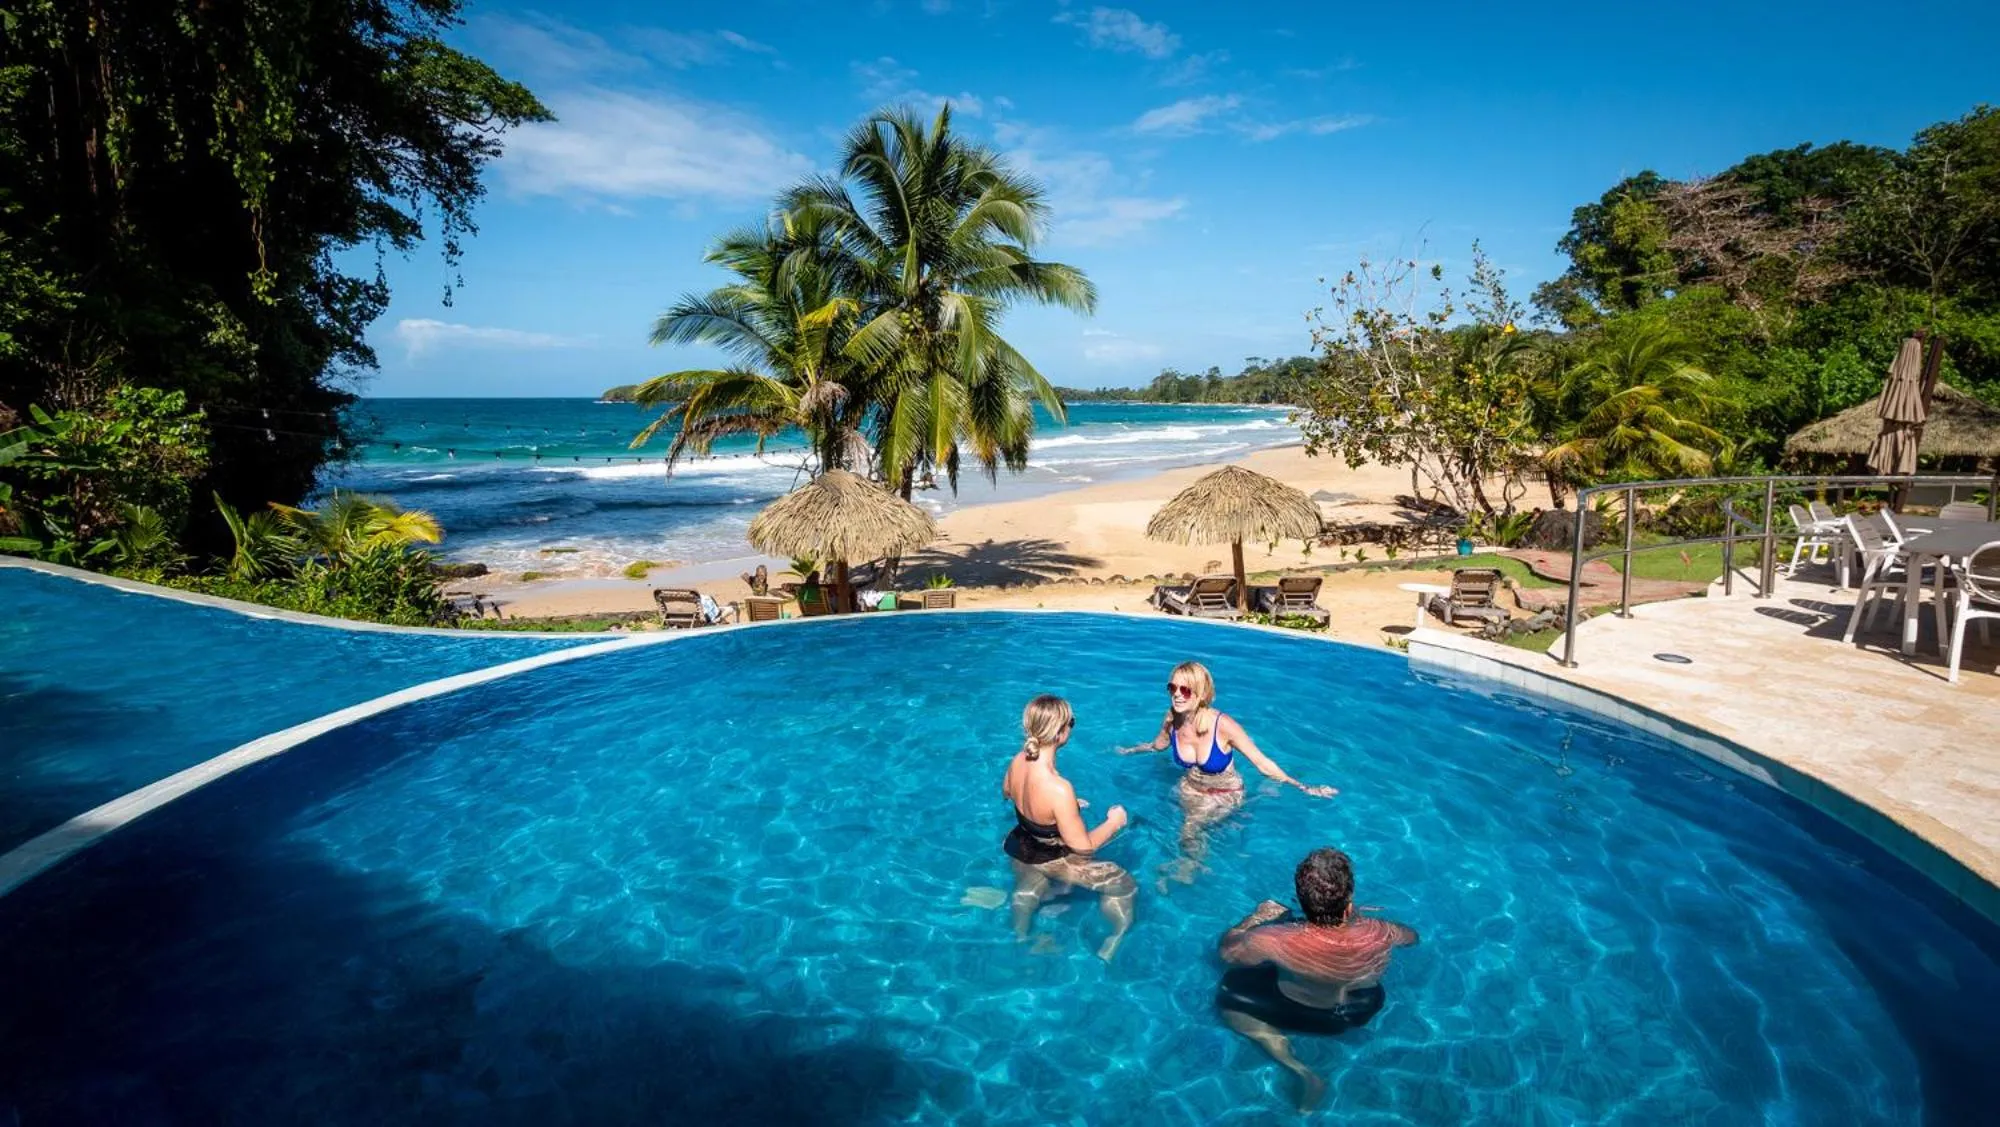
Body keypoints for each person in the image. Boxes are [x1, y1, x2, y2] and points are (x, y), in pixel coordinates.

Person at [1215, 848, 1419, 1111]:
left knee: (1228, 996)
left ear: (1302, 902)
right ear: (1348, 903)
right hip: (1359, 1009)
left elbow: (1227, 954)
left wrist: (1258, 916)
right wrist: (1360, 920)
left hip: (1304, 1013)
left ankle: (1298, 1068)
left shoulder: (1273, 939)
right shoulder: (1382, 932)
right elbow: (1412, 938)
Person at [1121, 661, 1336, 883]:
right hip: (1188, 789)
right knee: (1160, 825)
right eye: (1172, 688)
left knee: (1189, 830)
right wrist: (1130, 750)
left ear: (1201, 693)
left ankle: (1188, 872)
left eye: (1184, 690)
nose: (1176, 694)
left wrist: (1304, 787)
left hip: (1223, 792)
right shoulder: (1172, 718)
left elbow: (1262, 762)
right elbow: (1158, 745)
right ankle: (1193, 862)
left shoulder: (1222, 725)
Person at [1001, 694, 1138, 961]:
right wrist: (1114, 822)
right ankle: (1114, 939)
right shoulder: (1059, 788)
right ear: (1060, 733)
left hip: (1019, 844)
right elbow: (1083, 847)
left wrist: (1060, 810)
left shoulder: (1018, 760)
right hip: (1052, 858)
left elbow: (1008, 792)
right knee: (1122, 883)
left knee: (1028, 887)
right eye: (1071, 722)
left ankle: (1021, 938)